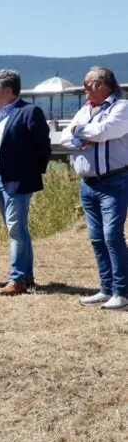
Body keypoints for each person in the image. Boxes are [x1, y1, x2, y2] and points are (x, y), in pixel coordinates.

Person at [60, 66, 128, 310]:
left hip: (114, 182)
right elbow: (64, 138)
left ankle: (122, 292)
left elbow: (107, 130)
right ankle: (106, 288)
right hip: (87, 184)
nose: (84, 88)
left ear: (103, 85)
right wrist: (83, 135)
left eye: (88, 84)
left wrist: (82, 133)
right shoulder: (85, 109)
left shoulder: (121, 107)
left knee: (112, 236)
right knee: (97, 238)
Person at [0, 69, 51, 296]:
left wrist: (31, 173)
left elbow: (43, 147)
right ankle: (27, 276)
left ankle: (17, 279)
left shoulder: (29, 112)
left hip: (18, 180)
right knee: (17, 229)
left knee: (15, 230)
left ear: (9, 91)